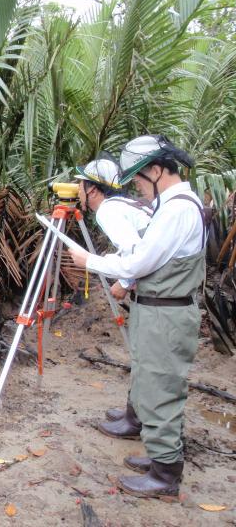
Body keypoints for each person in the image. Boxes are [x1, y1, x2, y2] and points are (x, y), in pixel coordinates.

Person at [69, 135, 206, 499]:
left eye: (141, 181)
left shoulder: (178, 208)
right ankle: (161, 458)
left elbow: (139, 261)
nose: (138, 190)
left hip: (167, 314)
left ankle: (165, 474)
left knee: (160, 390)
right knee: (149, 381)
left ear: (158, 171)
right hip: (159, 309)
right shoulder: (175, 204)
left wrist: (90, 261)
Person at [75, 158, 152, 439]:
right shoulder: (124, 205)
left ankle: (136, 420)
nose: (78, 190)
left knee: (145, 355)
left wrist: (124, 281)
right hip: (157, 282)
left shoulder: (108, 211)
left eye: (81, 185)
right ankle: (135, 413)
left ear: (93, 190)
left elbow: (136, 251)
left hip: (155, 287)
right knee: (144, 354)